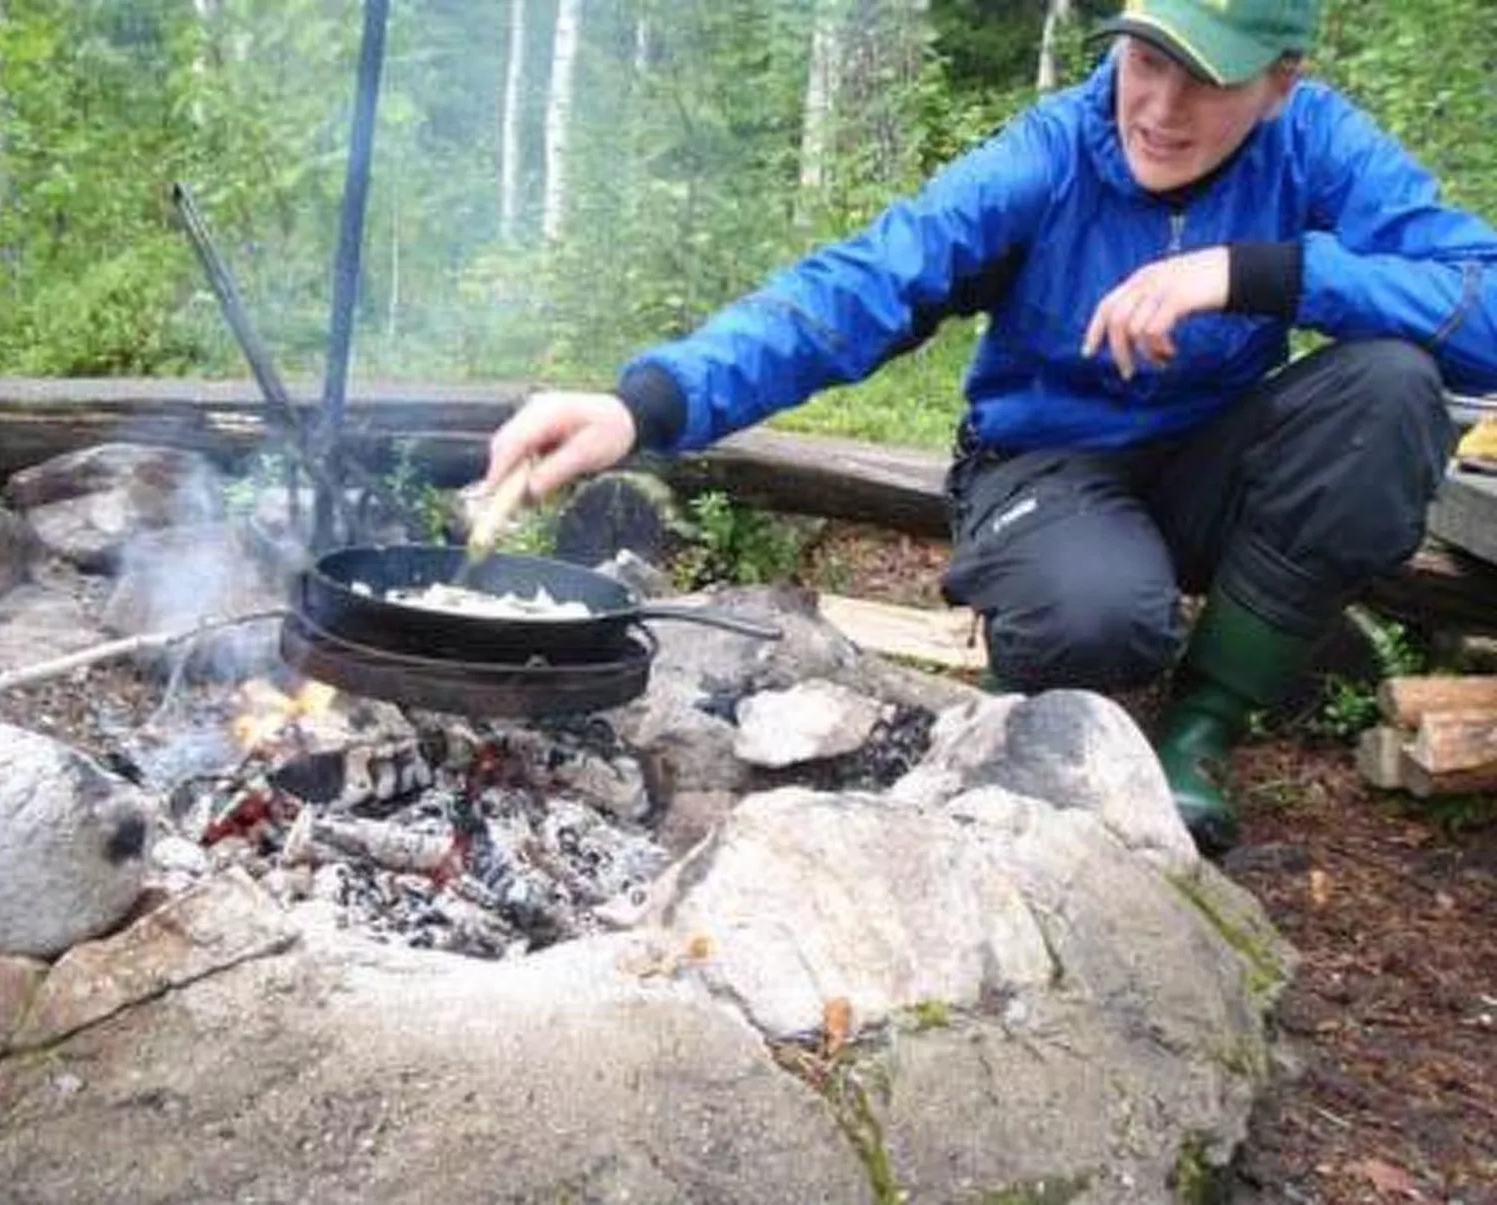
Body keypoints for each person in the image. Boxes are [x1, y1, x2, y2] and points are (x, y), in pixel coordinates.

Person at [479, 0, 1497, 855]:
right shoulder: (1052, 154)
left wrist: (1262, 272)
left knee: (1389, 386)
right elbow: (863, 284)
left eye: (1206, 80)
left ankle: (1202, 727)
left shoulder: (1314, 144)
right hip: (1044, 465)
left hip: (1210, 458)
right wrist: (645, 403)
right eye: (1146, 61)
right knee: (1094, 616)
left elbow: (1479, 303)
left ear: (1278, 83)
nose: (1159, 109)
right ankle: (1023, 722)